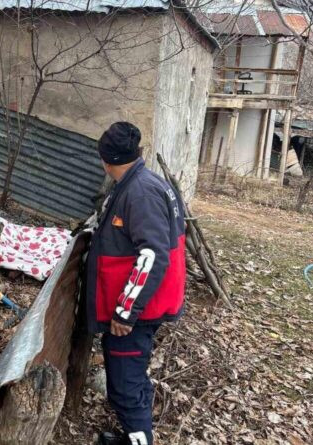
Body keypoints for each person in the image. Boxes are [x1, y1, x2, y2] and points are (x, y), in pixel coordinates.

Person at [84, 122, 186, 445]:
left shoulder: (140, 192)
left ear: (107, 159)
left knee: (125, 386)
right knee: (131, 375)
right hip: (144, 307)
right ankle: (134, 437)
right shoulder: (139, 182)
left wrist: (126, 311)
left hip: (138, 313)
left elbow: (153, 256)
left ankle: (140, 439)